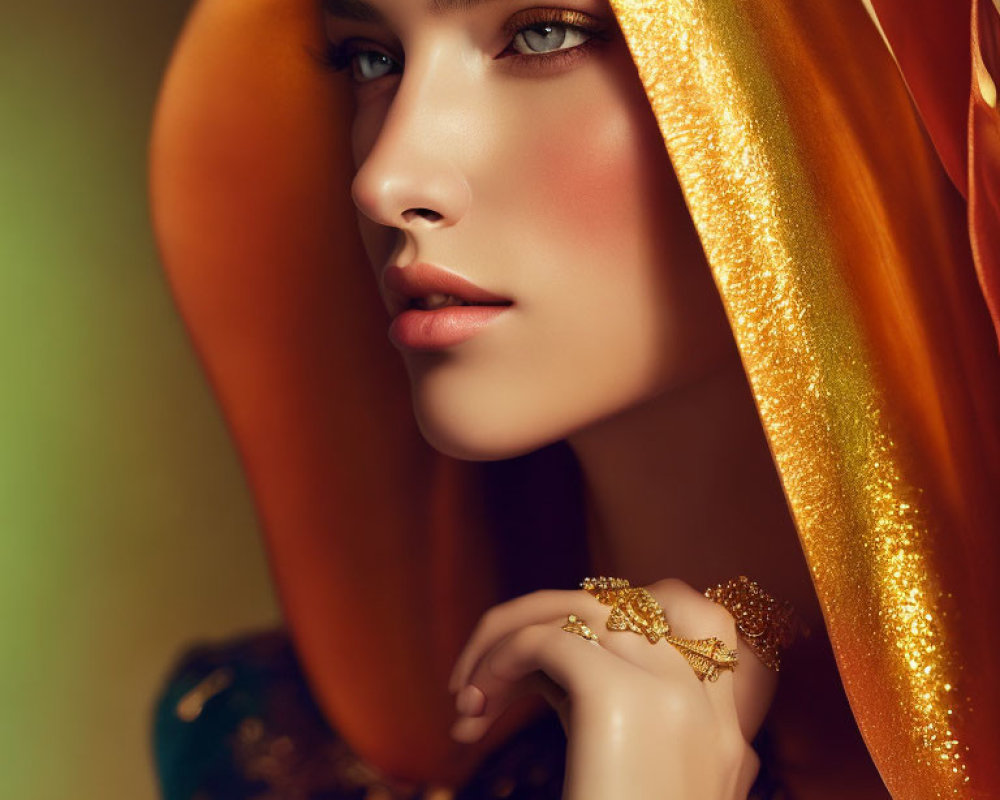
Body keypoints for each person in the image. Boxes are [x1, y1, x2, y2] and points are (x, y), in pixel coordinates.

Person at [149, 0, 1000, 798]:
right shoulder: (286, 758)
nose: (385, 178)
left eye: (544, 35)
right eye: (369, 58)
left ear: (827, 77)